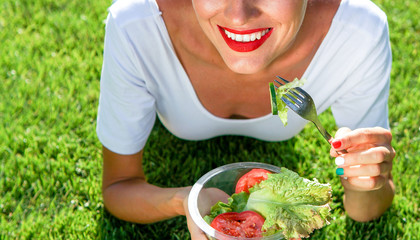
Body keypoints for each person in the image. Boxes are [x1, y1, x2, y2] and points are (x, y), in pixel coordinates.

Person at [96, 0, 396, 238]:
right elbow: (119, 187)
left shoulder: (358, 35)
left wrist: (363, 183)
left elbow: (365, 211)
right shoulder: (137, 26)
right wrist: (184, 199)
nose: (238, 16)